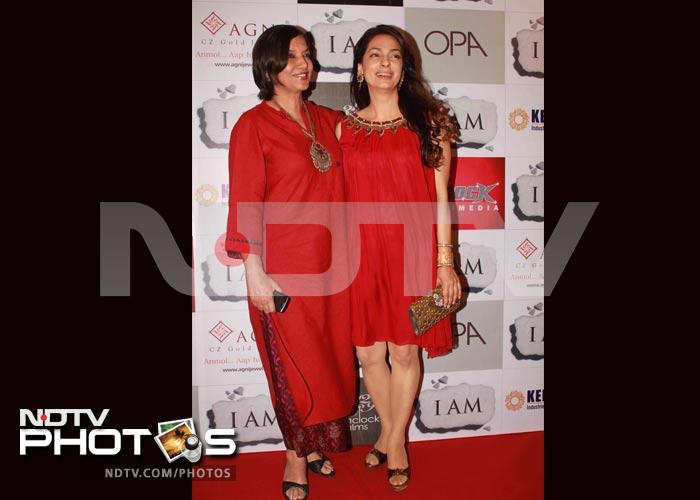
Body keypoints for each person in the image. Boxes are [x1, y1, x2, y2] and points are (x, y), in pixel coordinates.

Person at [225, 25, 355, 500]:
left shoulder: (328, 120)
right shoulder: (252, 125)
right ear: (269, 66)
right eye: (292, 57)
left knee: (329, 363)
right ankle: (294, 456)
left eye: (308, 55)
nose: (304, 64)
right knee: (293, 365)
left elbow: (377, 148)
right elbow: (246, 200)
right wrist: (253, 269)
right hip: (282, 271)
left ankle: (317, 444)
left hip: (337, 268)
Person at [338, 25, 462, 492]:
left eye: (394, 55)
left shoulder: (430, 122)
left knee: (406, 348)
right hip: (358, 254)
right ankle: (394, 440)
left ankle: (394, 444)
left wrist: (445, 262)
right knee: (369, 351)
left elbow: (440, 199)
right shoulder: (341, 129)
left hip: (415, 251)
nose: (385, 63)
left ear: (405, 67)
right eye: (374, 55)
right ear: (360, 67)